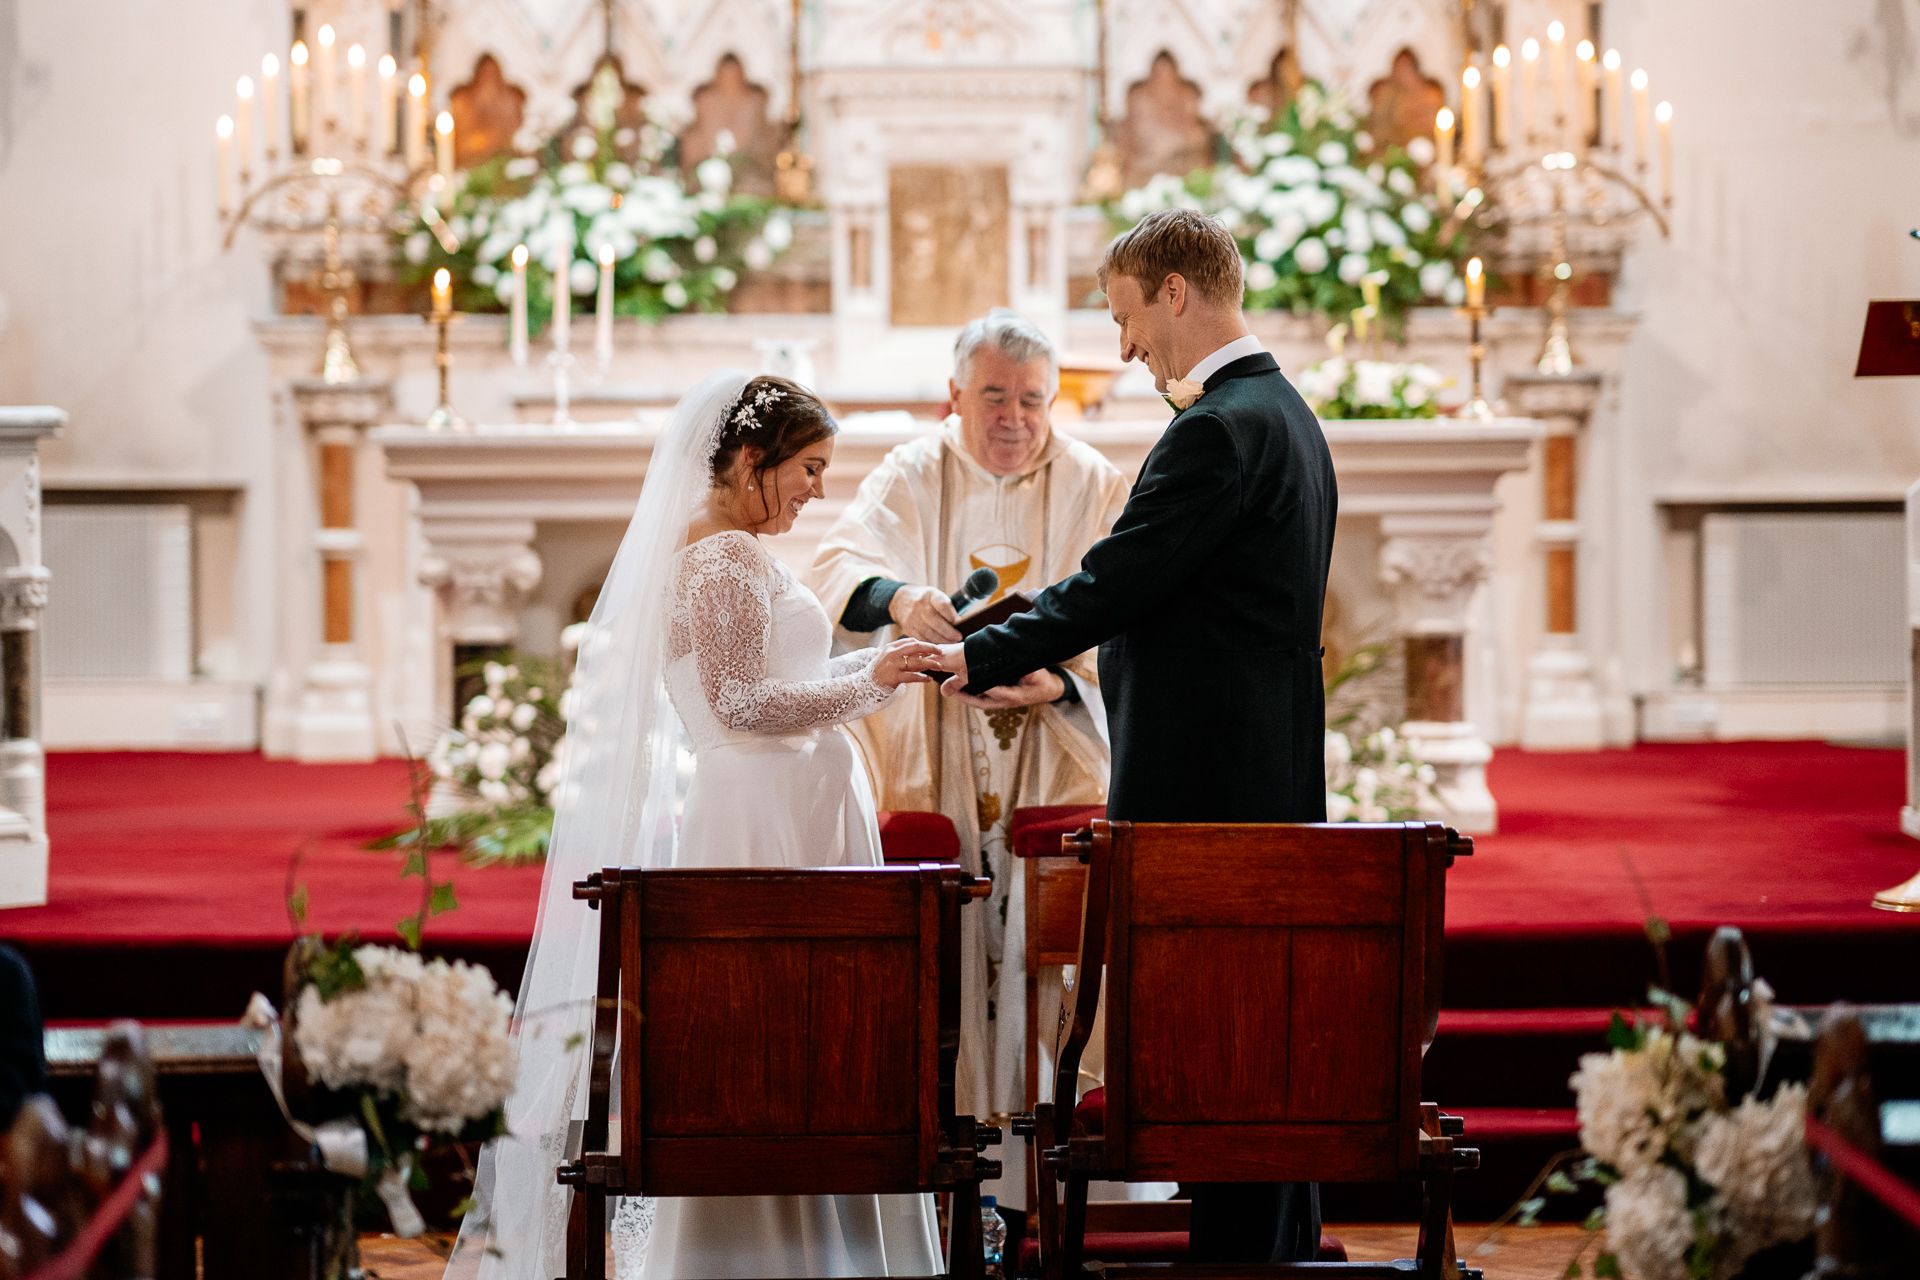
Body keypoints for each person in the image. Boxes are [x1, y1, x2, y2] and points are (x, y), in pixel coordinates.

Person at [449, 373, 948, 1280]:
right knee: (772, 1023)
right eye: (809, 468)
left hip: (792, 803)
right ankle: (766, 1249)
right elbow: (739, 703)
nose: (817, 489)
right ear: (752, 461)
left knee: (806, 1021)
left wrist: (870, 669)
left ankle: (814, 1240)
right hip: (762, 812)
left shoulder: (732, 549)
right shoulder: (718, 557)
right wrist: (874, 677)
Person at [928, 208, 1338, 1265]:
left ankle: (1245, 1259)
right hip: (1264, 772)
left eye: (1125, 317)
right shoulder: (1285, 412)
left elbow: (1118, 582)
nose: (1123, 349)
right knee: (1254, 1043)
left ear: (1173, 292)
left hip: (1210, 788)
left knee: (1219, 1046)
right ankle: (1269, 1251)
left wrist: (975, 653)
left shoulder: (1217, 426)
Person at [810, 311, 1129, 1169]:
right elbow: (835, 566)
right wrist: (902, 598)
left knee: (1046, 958)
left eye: (1032, 399)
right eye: (993, 396)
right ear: (955, 395)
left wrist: (1059, 681)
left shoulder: (1097, 482)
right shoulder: (914, 471)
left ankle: (1042, 1167)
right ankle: (945, 1154)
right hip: (933, 741)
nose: (1013, 418)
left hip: (1053, 748)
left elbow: (1138, 619)